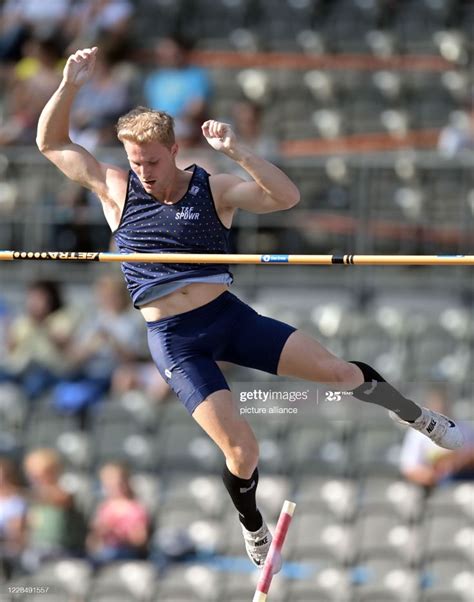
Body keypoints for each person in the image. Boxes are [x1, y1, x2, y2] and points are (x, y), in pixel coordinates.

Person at [36, 46, 465, 571]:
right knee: (242, 453)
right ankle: (253, 527)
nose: (143, 171)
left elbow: (285, 197)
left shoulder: (211, 188)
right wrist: (69, 84)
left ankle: (420, 418)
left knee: (337, 370)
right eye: (134, 161)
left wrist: (239, 151)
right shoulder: (117, 188)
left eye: (151, 160)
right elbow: (51, 142)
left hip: (228, 317)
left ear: (173, 149)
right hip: (174, 338)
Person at [399, 386, 474, 488]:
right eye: (436, 405)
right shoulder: (417, 433)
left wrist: (459, 462)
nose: (441, 408)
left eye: (444, 404)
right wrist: (433, 476)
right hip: (431, 486)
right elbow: (409, 468)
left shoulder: (464, 428)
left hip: (463, 481)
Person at [86, 461, 150, 566]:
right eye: (109, 482)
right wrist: (98, 533)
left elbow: (140, 540)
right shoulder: (103, 508)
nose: (114, 486)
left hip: (126, 553)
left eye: (118, 482)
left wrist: (119, 533)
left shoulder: (135, 508)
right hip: (105, 552)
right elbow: (92, 543)